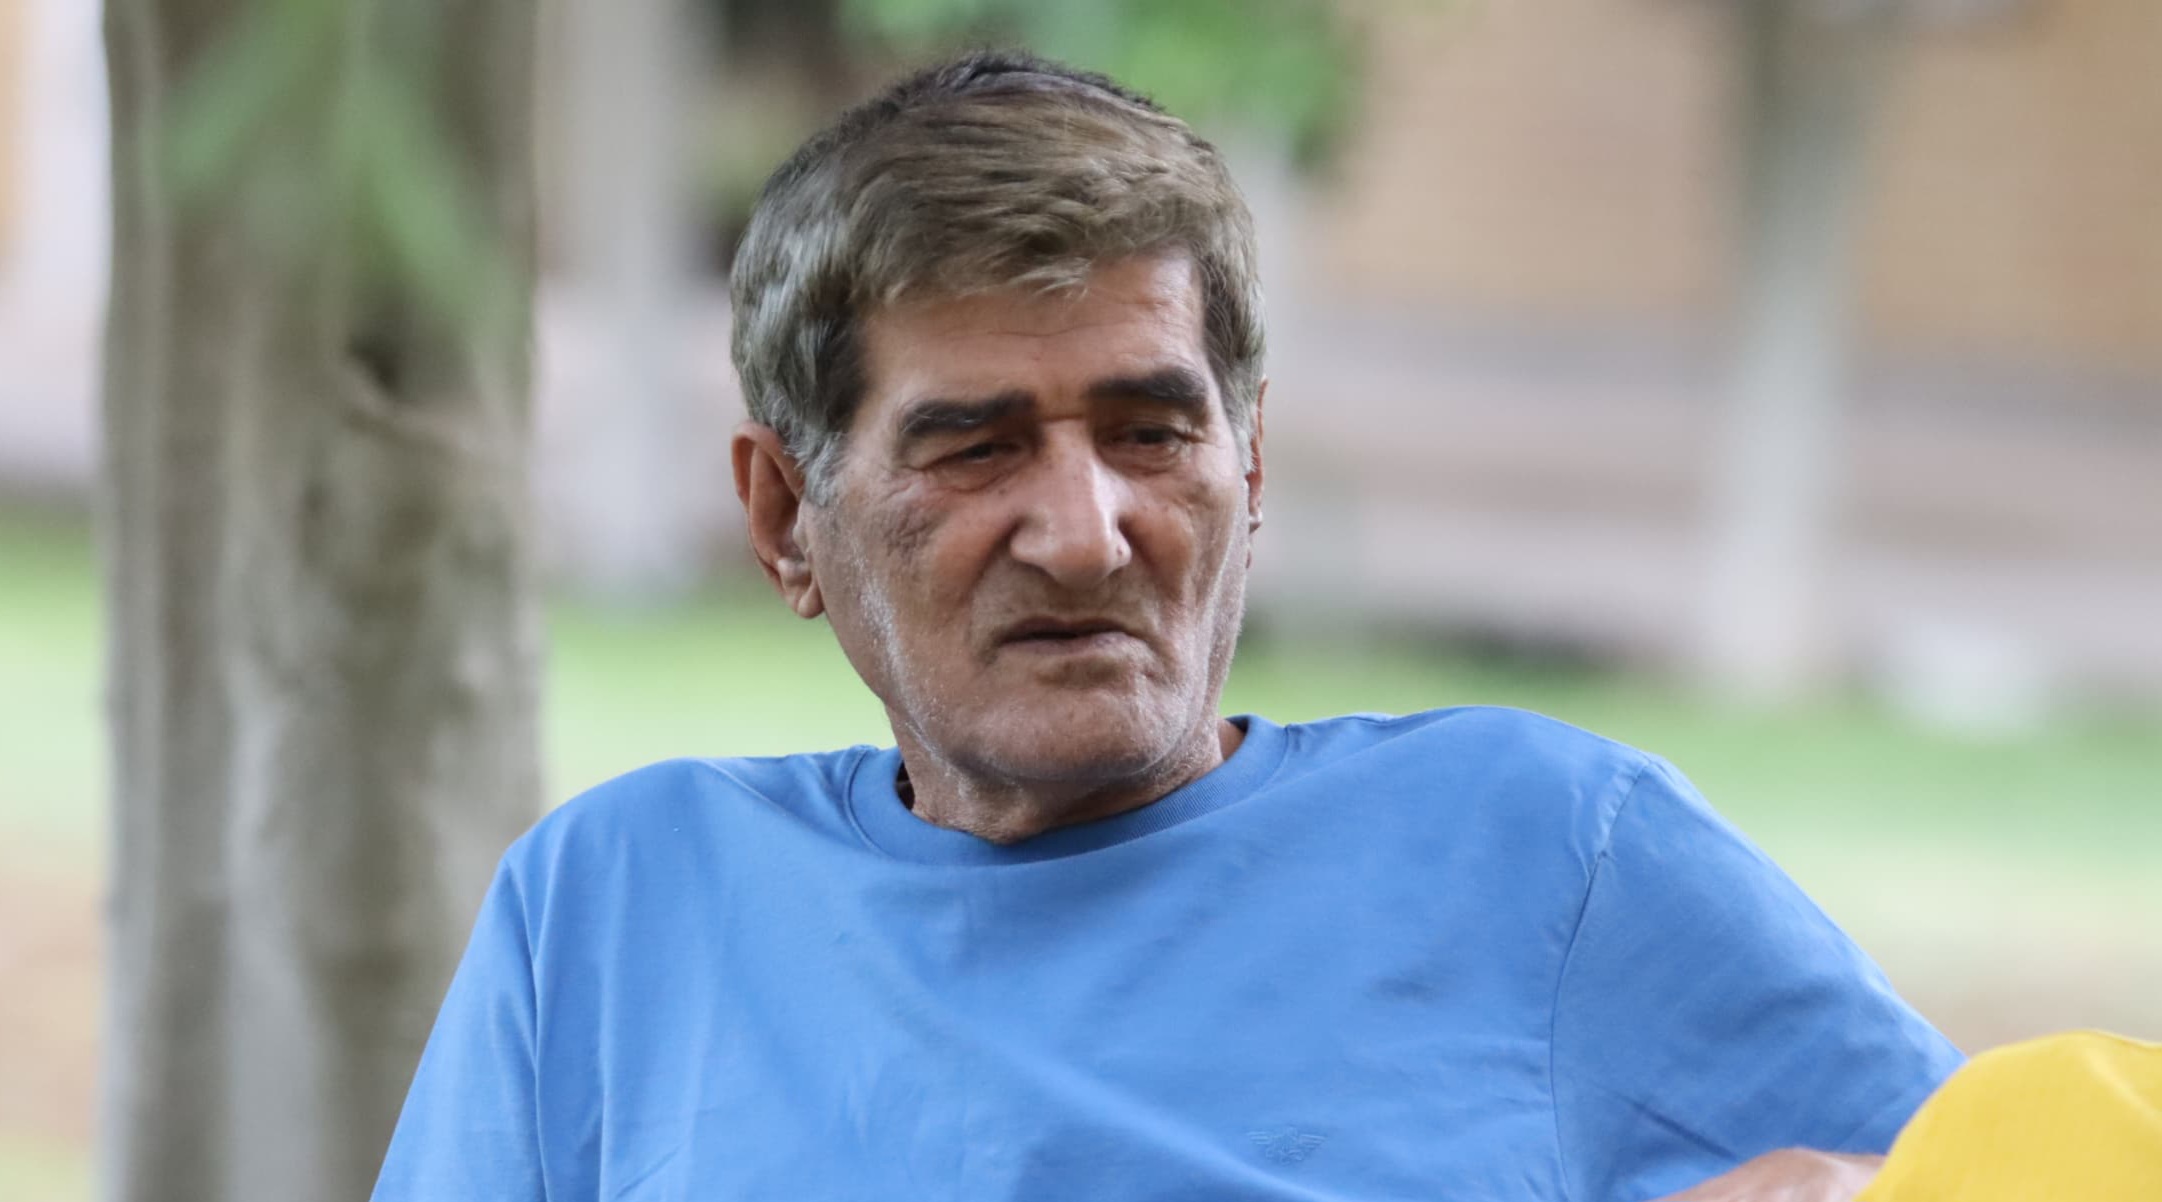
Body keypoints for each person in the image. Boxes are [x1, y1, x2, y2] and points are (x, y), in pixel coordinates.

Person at [371, 51, 1963, 1202]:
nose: (1087, 530)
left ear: (1246, 472)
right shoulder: (615, 907)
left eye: (1150, 432)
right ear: (789, 518)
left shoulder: (1546, 852)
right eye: (975, 445)